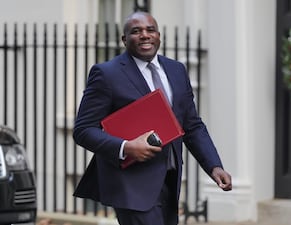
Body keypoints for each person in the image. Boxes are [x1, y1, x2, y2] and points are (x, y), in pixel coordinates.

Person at [73, 11, 232, 225]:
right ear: (124, 39)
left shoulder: (176, 70)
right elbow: (83, 130)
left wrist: (214, 166)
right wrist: (126, 147)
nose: (144, 35)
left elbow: (192, 125)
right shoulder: (106, 74)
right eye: (136, 31)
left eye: (150, 30)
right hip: (131, 185)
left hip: (170, 180)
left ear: (158, 35)